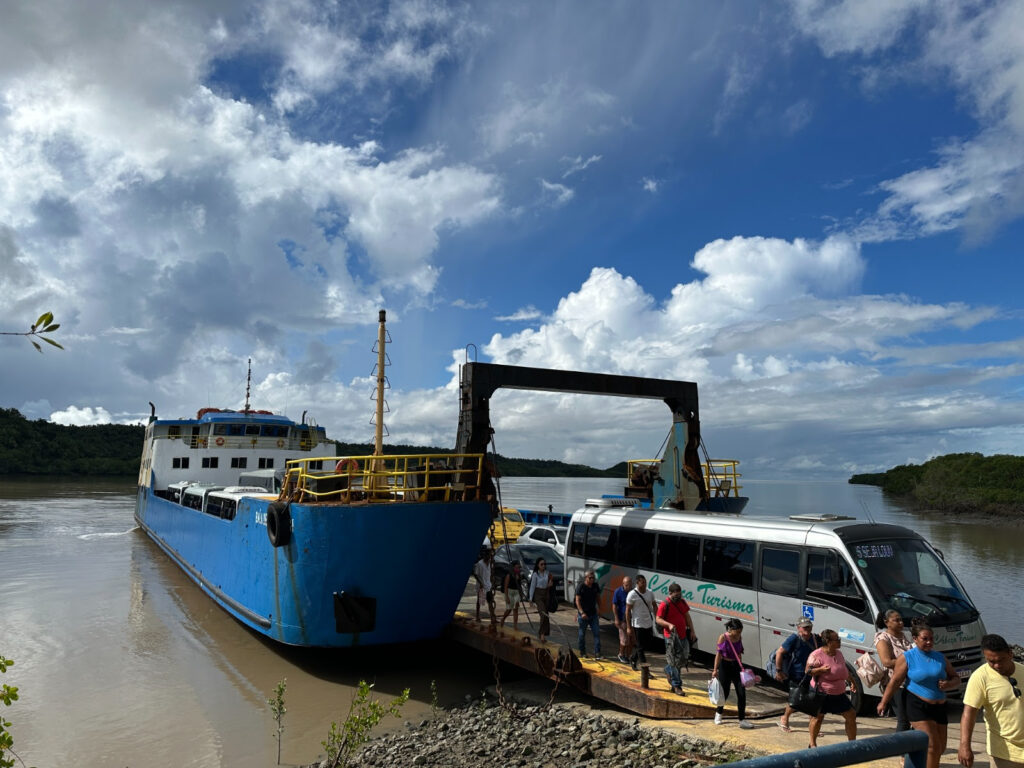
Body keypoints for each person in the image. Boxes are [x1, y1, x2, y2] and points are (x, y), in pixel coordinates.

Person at [878, 618, 959, 768]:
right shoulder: (907, 657)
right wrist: (884, 701)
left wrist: (949, 684)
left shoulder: (940, 658)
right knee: (932, 746)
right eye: (925, 639)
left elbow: (956, 678)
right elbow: (895, 681)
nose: (929, 642)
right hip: (917, 705)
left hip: (940, 706)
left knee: (940, 748)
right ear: (915, 639)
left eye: (931, 639)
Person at [958, 634, 1024, 768]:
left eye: (1001, 660)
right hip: (1003, 751)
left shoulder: (1022, 671)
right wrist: (965, 745)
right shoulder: (980, 677)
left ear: (1010, 654)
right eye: (991, 661)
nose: (997, 665)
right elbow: (968, 713)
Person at [805, 629, 857, 747]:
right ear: (828, 641)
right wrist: (821, 670)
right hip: (822, 693)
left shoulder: (839, 653)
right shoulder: (816, 655)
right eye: (837, 639)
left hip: (839, 693)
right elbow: (807, 671)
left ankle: (853, 744)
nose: (839, 641)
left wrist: (852, 681)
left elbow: (844, 670)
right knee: (817, 718)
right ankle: (812, 744)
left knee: (851, 714)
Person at [775, 617, 821, 732]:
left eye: (809, 626)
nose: (807, 629)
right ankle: (784, 718)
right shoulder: (794, 639)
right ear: (798, 628)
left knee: (813, 700)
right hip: (797, 674)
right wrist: (779, 670)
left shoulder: (815, 638)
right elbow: (779, 652)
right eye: (805, 627)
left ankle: (813, 726)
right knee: (795, 700)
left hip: (812, 674)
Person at [712, 618, 754, 728]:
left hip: (736, 666)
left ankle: (742, 719)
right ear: (731, 629)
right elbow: (718, 655)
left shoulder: (739, 637)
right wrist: (715, 670)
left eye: (740, 631)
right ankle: (718, 713)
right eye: (737, 631)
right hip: (725, 666)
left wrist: (742, 668)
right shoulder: (723, 637)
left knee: (741, 693)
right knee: (724, 692)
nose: (739, 634)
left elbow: (739, 653)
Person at [875, 609, 913, 731]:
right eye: (897, 620)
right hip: (895, 683)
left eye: (901, 620)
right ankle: (899, 749)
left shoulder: (903, 636)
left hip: (910, 682)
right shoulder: (883, 638)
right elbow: (886, 661)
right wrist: (908, 662)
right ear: (887, 622)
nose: (901, 623)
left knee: (914, 719)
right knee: (903, 720)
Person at [655, 582, 695, 695]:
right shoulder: (664, 604)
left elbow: (687, 616)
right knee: (674, 662)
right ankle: (677, 685)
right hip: (671, 638)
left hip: (683, 635)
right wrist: (668, 625)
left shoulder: (682, 602)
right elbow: (658, 619)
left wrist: (692, 630)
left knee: (683, 658)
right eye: (676, 595)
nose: (678, 597)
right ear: (670, 593)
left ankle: (668, 669)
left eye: (679, 595)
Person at [625, 574, 657, 671]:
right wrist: (628, 627)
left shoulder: (650, 593)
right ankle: (645, 669)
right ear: (637, 583)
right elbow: (627, 611)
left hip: (648, 622)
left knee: (646, 645)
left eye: (645, 582)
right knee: (640, 646)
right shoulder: (632, 594)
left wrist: (657, 618)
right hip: (637, 624)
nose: (644, 584)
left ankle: (633, 658)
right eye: (642, 582)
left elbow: (655, 605)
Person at [528, 557, 556, 643]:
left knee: (546, 615)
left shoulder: (547, 573)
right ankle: (541, 635)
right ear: (538, 565)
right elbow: (532, 586)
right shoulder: (535, 574)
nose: (543, 566)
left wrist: (549, 585)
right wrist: (530, 599)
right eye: (541, 564)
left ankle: (543, 634)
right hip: (538, 595)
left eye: (544, 564)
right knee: (543, 613)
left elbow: (549, 585)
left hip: (546, 595)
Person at [575, 570, 602, 658]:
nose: (592, 579)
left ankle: (597, 652)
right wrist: (581, 612)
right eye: (590, 578)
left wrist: (600, 609)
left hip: (593, 614)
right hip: (583, 615)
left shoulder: (595, 586)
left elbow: (598, 598)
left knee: (596, 633)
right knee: (582, 634)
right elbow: (577, 601)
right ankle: (582, 652)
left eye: (593, 578)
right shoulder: (581, 587)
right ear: (586, 578)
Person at [612, 576, 634, 664]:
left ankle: (628, 655)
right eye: (626, 585)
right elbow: (614, 606)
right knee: (624, 640)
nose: (628, 587)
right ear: (623, 584)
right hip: (622, 619)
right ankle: (621, 654)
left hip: (632, 619)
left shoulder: (633, 592)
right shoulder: (618, 592)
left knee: (631, 640)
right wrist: (616, 618)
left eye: (630, 585)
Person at [499, 560, 525, 630]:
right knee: (509, 609)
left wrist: (521, 594)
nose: (518, 569)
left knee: (515, 608)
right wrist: (507, 597)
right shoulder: (509, 575)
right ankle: (503, 619)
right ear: (513, 567)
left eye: (519, 568)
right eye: (516, 567)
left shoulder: (519, 575)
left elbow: (519, 585)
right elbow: (505, 587)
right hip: (510, 592)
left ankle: (515, 625)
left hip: (516, 592)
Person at [473, 549, 495, 624]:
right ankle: (477, 616)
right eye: (488, 555)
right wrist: (480, 583)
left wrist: (492, 581)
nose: (489, 557)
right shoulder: (479, 564)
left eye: (490, 555)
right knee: (479, 601)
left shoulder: (490, 563)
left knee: (490, 601)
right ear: (485, 555)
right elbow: (475, 574)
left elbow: (491, 573)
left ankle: (492, 618)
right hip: (481, 586)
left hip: (488, 585)